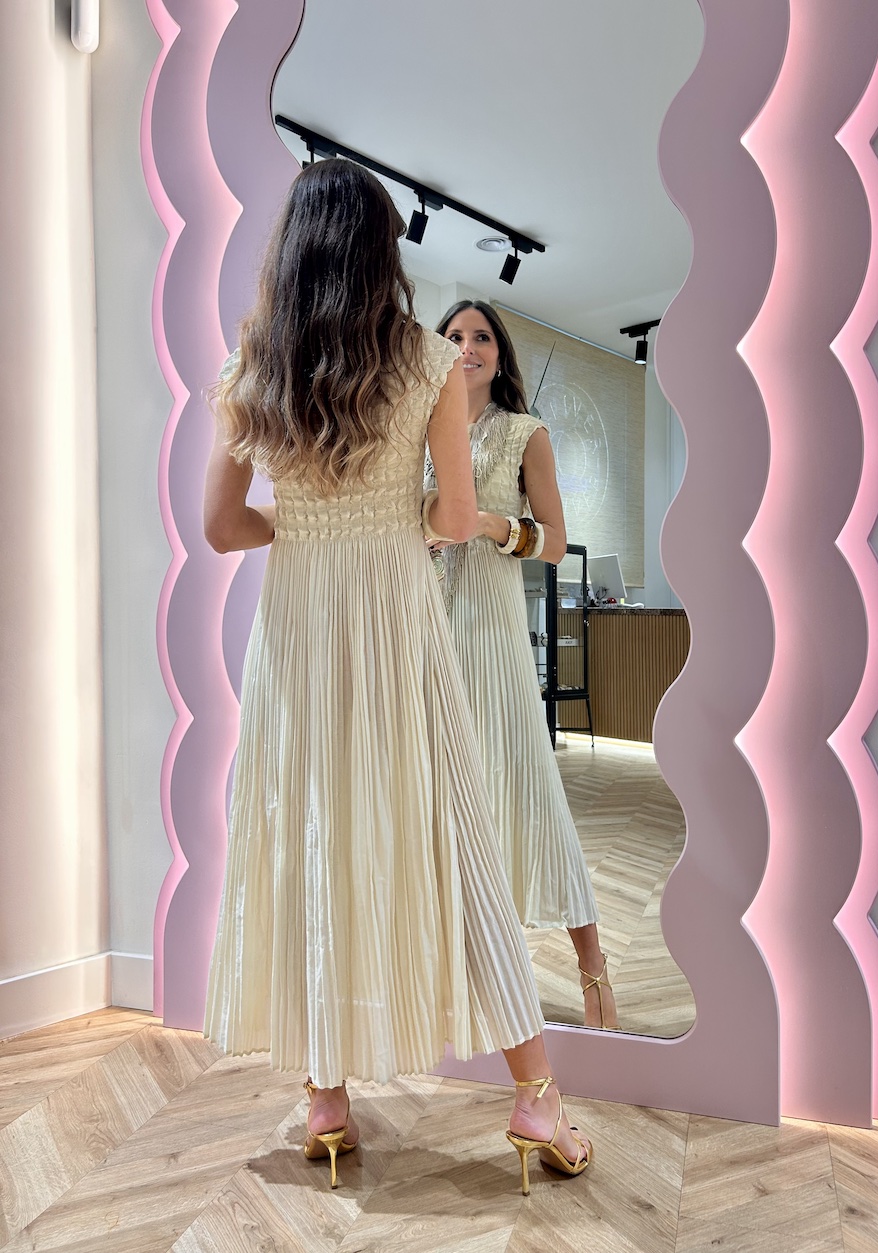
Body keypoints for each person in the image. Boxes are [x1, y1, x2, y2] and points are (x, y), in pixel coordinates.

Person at [201, 159, 591, 1195]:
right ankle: (534, 1094)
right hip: (398, 620)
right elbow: (457, 520)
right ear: (382, 249)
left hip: (297, 631)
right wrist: (385, 519)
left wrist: (306, 525)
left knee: (311, 835)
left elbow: (222, 526)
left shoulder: (255, 364)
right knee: (453, 834)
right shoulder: (427, 361)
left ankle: (327, 1098)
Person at [428, 300, 619, 1032]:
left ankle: (592, 962)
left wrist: (485, 524)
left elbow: (555, 540)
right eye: (453, 336)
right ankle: (462, 972)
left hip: (492, 628)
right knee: (444, 801)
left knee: (529, 789)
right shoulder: (418, 431)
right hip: (428, 627)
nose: (466, 347)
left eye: (480, 336)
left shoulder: (523, 433)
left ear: (499, 353)